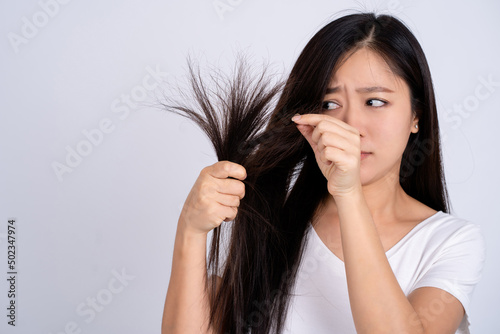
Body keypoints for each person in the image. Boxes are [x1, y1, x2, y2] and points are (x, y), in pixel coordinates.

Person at [161, 12, 486, 334]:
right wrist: (190, 230)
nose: (349, 126)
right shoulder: (265, 219)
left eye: (374, 101)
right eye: (330, 104)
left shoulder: (451, 242)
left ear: (417, 115)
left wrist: (348, 193)